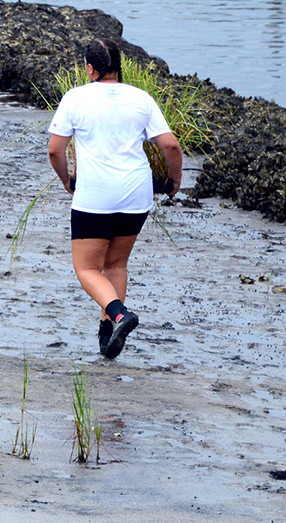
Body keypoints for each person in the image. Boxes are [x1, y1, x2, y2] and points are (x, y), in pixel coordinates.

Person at [47, 38, 182, 359]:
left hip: (95, 196)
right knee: (116, 263)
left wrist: (67, 179)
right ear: (119, 67)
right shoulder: (141, 99)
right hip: (136, 195)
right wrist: (175, 179)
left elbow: (55, 150)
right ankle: (108, 334)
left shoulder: (76, 98)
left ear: (90, 68)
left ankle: (119, 315)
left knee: (87, 269)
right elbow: (171, 146)